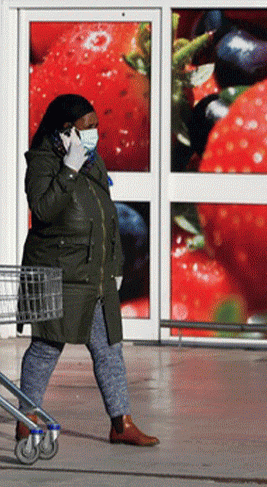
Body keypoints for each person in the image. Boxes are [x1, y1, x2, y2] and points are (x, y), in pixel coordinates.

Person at [17, 93, 159, 447]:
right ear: (65, 131)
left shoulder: (94, 162)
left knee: (109, 346)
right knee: (47, 344)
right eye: (88, 127)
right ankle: (26, 418)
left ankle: (121, 423)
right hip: (59, 270)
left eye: (97, 125)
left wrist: (116, 264)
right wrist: (69, 169)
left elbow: (107, 215)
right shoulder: (42, 163)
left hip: (94, 272)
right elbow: (44, 209)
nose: (95, 133)